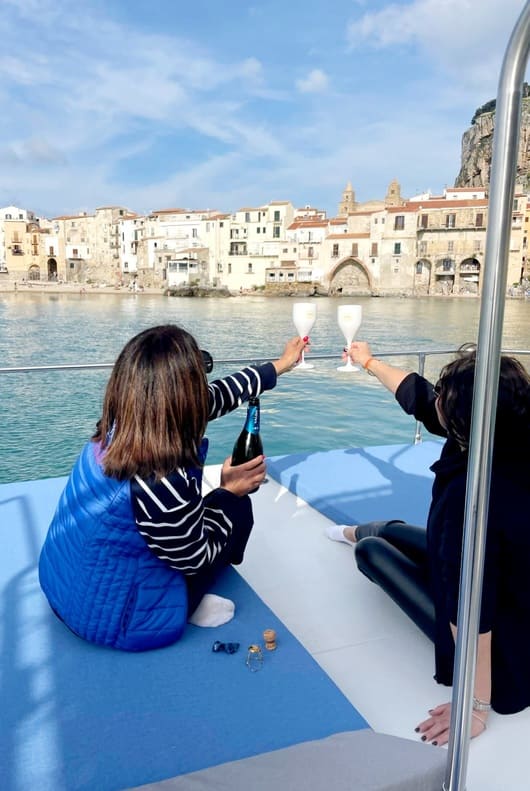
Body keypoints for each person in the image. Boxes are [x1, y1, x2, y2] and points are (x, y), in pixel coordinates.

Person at [39, 324, 306, 652]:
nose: (205, 381)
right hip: (115, 619)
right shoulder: (161, 479)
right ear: (182, 394)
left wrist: (279, 366)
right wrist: (228, 491)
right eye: (201, 370)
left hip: (66, 583)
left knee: (205, 511)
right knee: (238, 511)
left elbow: (216, 397)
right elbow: (195, 557)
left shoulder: (126, 423)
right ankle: (185, 607)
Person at [327, 341, 530, 745]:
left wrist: (476, 706)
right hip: (515, 587)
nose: (435, 400)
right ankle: (361, 530)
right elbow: (417, 396)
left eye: (444, 398)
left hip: (506, 653)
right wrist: (368, 362)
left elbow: (471, 609)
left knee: (373, 552)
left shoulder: (468, 499)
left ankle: (363, 538)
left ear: (458, 420)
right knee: (391, 533)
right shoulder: (503, 431)